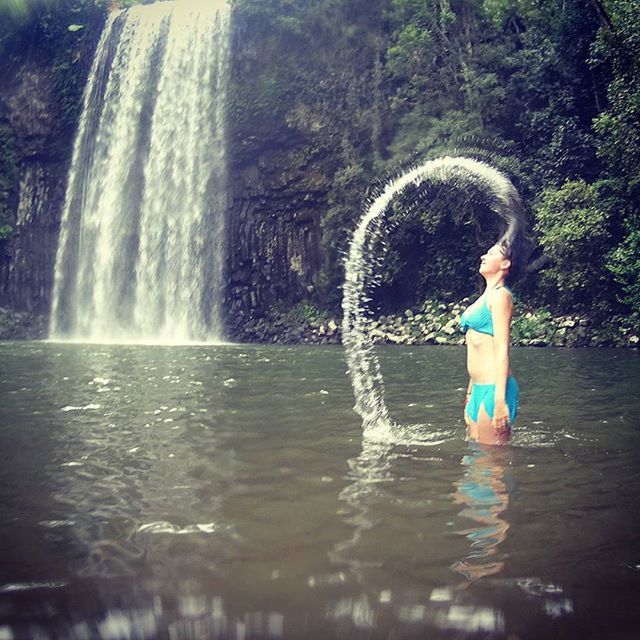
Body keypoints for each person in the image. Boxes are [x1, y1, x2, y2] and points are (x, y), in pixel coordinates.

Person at [459, 241, 519, 445]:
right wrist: (469, 393)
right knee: (473, 464)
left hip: (495, 390)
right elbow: (476, 349)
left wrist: (500, 400)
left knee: (492, 463)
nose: (483, 256)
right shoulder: (485, 297)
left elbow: (502, 350)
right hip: (477, 389)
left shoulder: (501, 296)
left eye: (491, 253)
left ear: (505, 264)